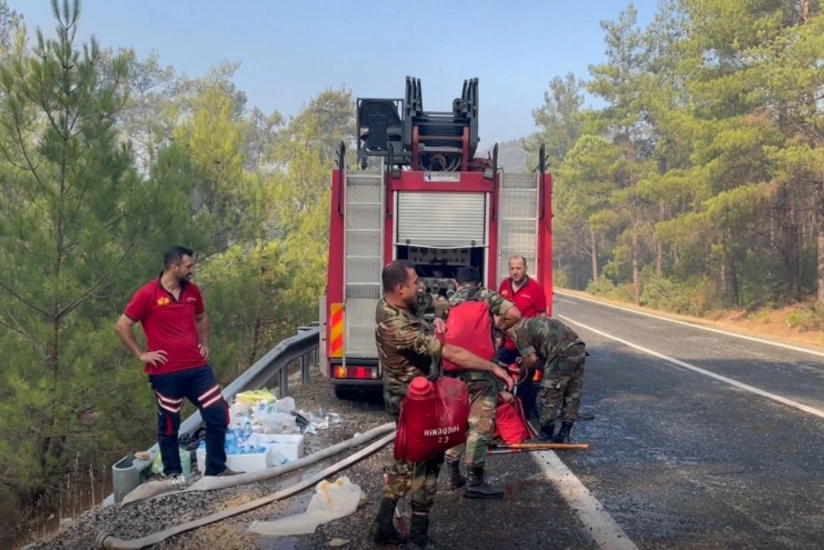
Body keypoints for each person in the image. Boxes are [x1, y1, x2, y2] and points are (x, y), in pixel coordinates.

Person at [369, 260, 514, 549]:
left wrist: (432, 317)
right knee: (426, 466)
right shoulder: (395, 325)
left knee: (403, 462)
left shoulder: (397, 305)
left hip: (414, 399)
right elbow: (450, 352)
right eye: (413, 284)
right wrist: (491, 367)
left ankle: (382, 527)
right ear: (399, 289)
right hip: (415, 406)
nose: (419, 287)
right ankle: (419, 538)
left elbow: (430, 305)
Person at [114, 245, 241, 479]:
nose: (192, 270)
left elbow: (202, 317)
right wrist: (142, 354)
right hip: (165, 374)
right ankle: (173, 474)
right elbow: (122, 325)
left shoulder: (192, 291)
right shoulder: (147, 294)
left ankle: (216, 469)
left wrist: (205, 342)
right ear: (174, 267)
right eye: (188, 266)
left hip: (197, 370)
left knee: (218, 413)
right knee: (170, 425)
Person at [434, 266, 521, 499]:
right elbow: (516, 314)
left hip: (452, 371)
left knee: (457, 423)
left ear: (456, 283)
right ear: (478, 282)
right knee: (480, 425)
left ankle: (452, 474)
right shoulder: (487, 296)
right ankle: (475, 481)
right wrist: (498, 326)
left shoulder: (448, 301)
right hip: (482, 371)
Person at [506, 316, 588, 443]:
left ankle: (546, 433)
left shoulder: (519, 331)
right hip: (578, 347)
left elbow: (531, 361)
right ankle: (564, 433)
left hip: (561, 350)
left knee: (550, 392)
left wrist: (521, 372)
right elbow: (540, 357)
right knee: (572, 392)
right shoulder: (531, 323)